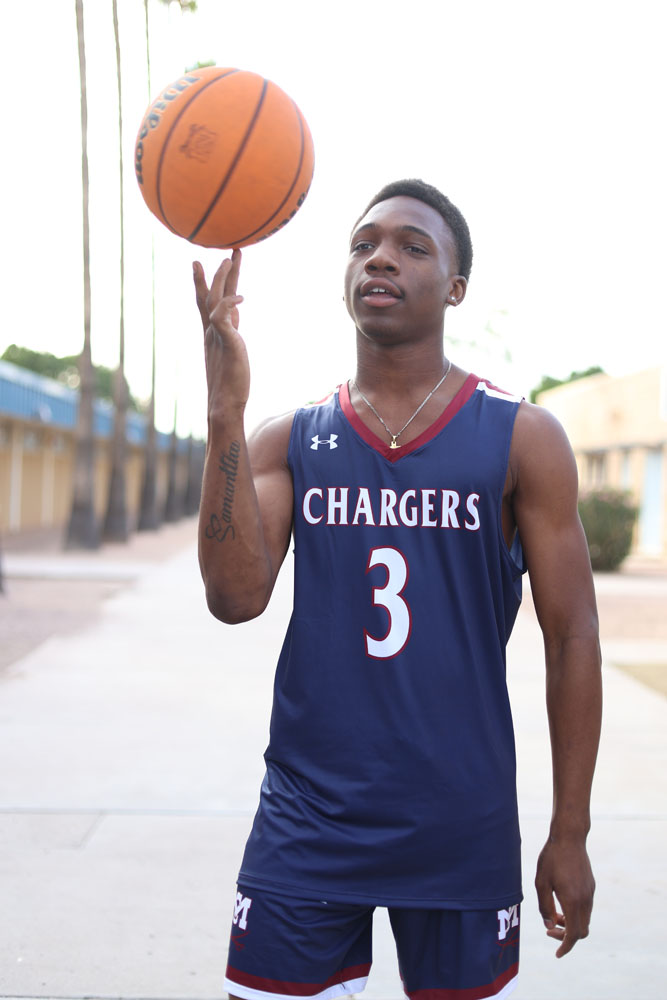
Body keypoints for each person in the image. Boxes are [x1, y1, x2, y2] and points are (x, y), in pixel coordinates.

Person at [192, 179, 602, 1000]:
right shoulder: (291, 437)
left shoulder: (520, 435)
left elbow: (572, 638)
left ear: (454, 288)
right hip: (307, 817)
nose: (379, 256)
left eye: (412, 246)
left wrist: (569, 829)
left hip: (459, 817)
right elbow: (234, 598)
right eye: (363, 243)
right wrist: (225, 413)